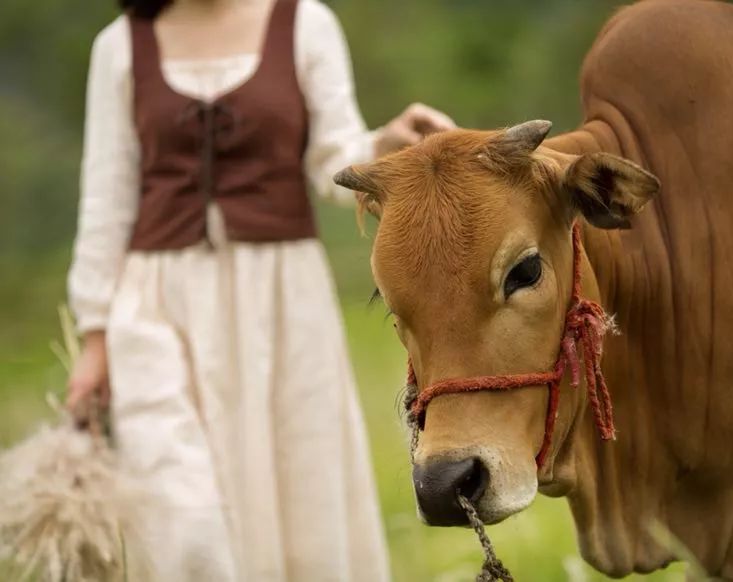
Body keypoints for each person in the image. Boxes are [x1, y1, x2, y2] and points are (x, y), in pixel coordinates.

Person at [65, 0, 455, 580]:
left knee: (297, 498)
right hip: (155, 307)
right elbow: (106, 198)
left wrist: (383, 146)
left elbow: (333, 163)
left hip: (282, 305)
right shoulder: (120, 45)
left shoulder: (305, 24)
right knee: (181, 520)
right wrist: (95, 338)